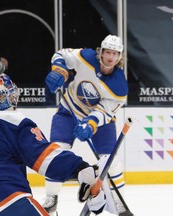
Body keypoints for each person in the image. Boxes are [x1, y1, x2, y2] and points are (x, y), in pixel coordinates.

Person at [0, 72, 113, 216]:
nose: (11, 100)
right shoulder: (12, 121)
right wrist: (80, 168)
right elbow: (46, 159)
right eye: (7, 96)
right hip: (3, 200)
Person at [43, 34, 131, 216]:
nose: (110, 57)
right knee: (56, 152)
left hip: (100, 121)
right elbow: (61, 55)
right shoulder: (86, 57)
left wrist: (90, 124)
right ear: (101, 52)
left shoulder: (119, 85)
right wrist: (59, 70)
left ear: (120, 57)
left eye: (115, 54)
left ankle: (118, 200)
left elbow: (105, 111)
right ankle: (51, 199)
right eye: (108, 52)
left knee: (110, 161)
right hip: (68, 111)